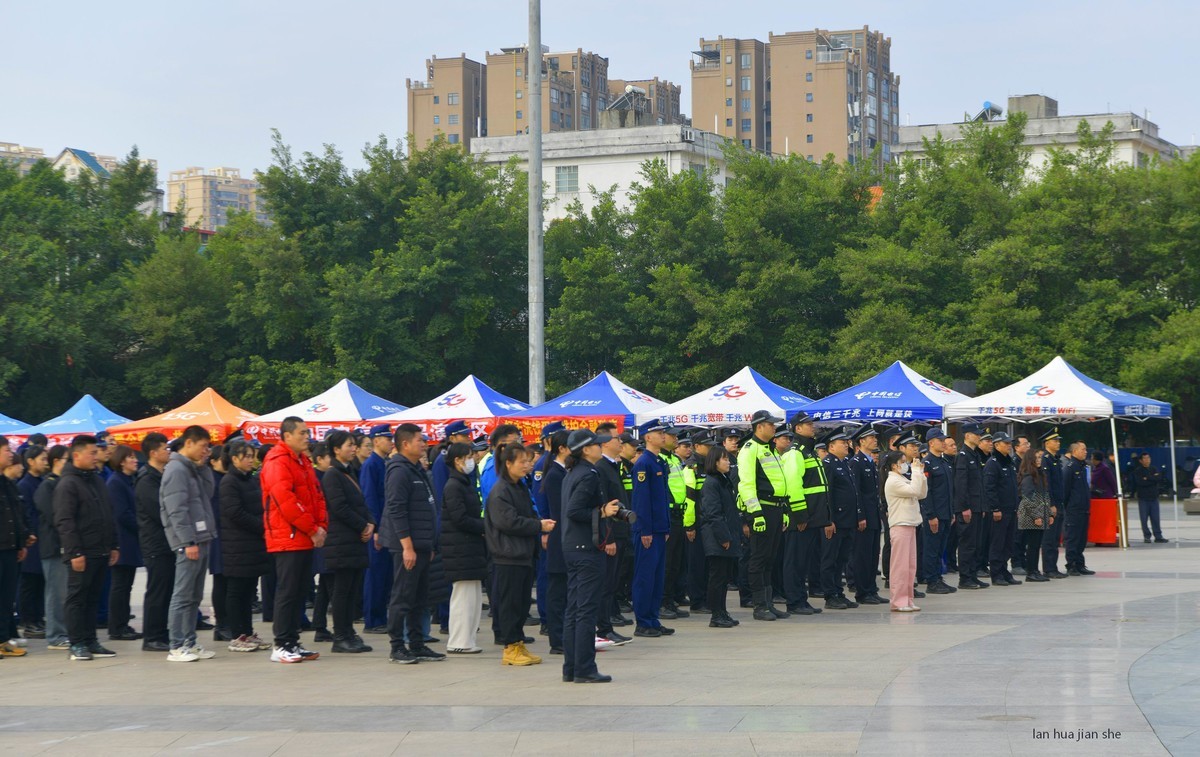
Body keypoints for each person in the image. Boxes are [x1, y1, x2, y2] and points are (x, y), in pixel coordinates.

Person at [260, 417, 328, 663]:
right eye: (301, 433)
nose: (306, 436)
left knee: (300, 590)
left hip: (305, 536)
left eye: (307, 432)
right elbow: (285, 501)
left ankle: (292, 641)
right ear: (287, 436)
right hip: (287, 536)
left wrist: (320, 526)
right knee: (288, 591)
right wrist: (312, 528)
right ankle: (281, 644)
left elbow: (317, 495)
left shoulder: (302, 462)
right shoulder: (278, 461)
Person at [380, 423, 444, 664]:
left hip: (422, 543)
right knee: (403, 595)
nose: (424, 443)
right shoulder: (398, 470)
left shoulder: (416, 469)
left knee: (420, 597)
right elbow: (397, 510)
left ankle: (417, 644)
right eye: (419, 440)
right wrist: (407, 546)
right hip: (406, 546)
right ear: (405, 444)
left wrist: (429, 545)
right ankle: (397, 646)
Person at [559, 429, 620, 683]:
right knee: (585, 610)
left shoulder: (573, 473)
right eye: (596, 444)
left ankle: (572, 667)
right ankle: (584, 667)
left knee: (574, 609)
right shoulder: (588, 475)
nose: (600, 446)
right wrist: (603, 511)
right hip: (585, 549)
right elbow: (575, 510)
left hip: (572, 547)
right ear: (586, 450)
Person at [486, 443, 554, 666]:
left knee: (521, 603)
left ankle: (518, 643)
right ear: (508, 464)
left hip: (524, 553)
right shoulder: (501, 490)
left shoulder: (519, 486)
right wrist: (538, 526)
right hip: (507, 556)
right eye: (522, 462)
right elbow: (508, 522)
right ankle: (509, 647)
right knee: (509, 604)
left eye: (528, 461)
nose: (528, 465)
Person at [53, 434, 118, 660]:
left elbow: (108, 514)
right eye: (92, 452)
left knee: (93, 597)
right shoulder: (68, 483)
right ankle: (77, 643)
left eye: (96, 452)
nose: (96, 456)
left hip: (100, 549)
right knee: (77, 598)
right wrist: (75, 552)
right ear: (77, 455)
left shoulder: (95, 479)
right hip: (82, 552)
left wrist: (113, 545)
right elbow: (65, 521)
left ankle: (91, 640)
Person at [160, 426, 218, 662]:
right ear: (190, 443)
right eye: (204, 446)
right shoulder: (176, 469)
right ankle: (176, 645)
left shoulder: (193, 468)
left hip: (201, 537)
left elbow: (208, 493)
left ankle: (189, 642)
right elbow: (176, 510)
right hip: (189, 541)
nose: (207, 451)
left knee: (194, 595)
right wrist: (187, 541)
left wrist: (204, 466)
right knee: (183, 595)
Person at [320, 430, 375, 654]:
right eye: (348, 445)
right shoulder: (332, 474)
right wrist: (363, 525)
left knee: (353, 589)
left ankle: (349, 632)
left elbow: (361, 503)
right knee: (342, 591)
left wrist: (370, 522)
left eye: (354, 445)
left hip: (353, 540)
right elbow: (339, 507)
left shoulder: (349, 471)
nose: (353, 448)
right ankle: (340, 636)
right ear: (336, 450)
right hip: (341, 540)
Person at [218, 440, 270, 653]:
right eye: (247, 456)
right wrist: (263, 527)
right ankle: (237, 634)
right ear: (235, 459)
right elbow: (235, 513)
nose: (251, 460)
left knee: (249, 591)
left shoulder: (250, 480)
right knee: (236, 590)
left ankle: (248, 632)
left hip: (252, 544)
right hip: (237, 544)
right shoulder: (229, 482)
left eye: (252, 456)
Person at [738, 410, 791, 621]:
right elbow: (746, 484)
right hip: (763, 509)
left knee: (770, 558)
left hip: (776, 508)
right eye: (771, 424)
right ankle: (759, 606)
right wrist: (755, 513)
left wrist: (785, 509)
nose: (774, 428)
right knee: (758, 558)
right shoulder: (750, 449)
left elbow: (780, 482)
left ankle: (768, 603)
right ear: (759, 426)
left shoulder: (770, 450)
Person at [440, 442, 486, 654]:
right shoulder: (453, 486)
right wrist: (485, 527)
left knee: (473, 598)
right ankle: (459, 640)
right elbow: (460, 518)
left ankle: (468, 639)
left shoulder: (465, 483)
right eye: (468, 456)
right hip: (460, 548)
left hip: (471, 547)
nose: (472, 460)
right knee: (463, 598)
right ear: (457, 460)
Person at [629, 422, 673, 637]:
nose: (663, 436)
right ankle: (643, 622)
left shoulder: (658, 462)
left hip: (659, 528)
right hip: (647, 530)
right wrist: (644, 529)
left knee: (657, 577)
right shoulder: (643, 464)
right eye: (659, 433)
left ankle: (653, 619)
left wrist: (665, 526)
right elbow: (641, 501)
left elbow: (662, 498)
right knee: (645, 577)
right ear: (648, 437)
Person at [781, 412, 827, 616]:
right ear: (797, 428)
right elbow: (793, 484)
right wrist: (799, 515)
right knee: (795, 560)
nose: (812, 427)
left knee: (803, 561)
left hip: (812, 517)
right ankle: (794, 601)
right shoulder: (795, 452)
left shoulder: (808, 451)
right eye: (808, 424)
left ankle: (801, 599)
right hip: (801, 517)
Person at [593, 423, 632, 645]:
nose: (621, 442)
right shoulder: (601, 468)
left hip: (620, 531)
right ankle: (603, 629)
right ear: (606, 442)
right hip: (610, 535)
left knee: (612, 582)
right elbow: (602, 506)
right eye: (617, 439)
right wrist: (607, 539)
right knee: (606, 585)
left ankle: (606, 626)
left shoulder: (612, 466)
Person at [134, 433, 174, 652]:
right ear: (153, 453)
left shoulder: (162, 475)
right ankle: (152, 636)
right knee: (157, 591)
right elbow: (159, 511)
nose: (168, 452)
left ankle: (162, 632)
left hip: (167, 543)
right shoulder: (146, 480)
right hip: (155, 544)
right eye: (164, 448)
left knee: (166, 590)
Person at [698, 446, 741, 628]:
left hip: (727, 535)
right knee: (717, 577)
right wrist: (724, 537)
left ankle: (722, 611)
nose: (728, 462)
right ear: (715, 462)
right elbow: (713, 514)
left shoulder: (723, 480)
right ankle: (716, 614)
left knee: (723, 577)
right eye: (724, 459)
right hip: (717, 538)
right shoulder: (711, 483)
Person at [105, 445, 143, 641]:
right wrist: (142, 527)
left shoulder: (127, 481)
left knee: (125, 586)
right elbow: (122, 514)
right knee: (120, 586)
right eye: (130, 457)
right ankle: (117, 627)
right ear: (121, 461)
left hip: (129, 540)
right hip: (122, 540)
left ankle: (122, 624)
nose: (135, 460)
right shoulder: (116, 483)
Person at [0, 436, 33, 656]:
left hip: (9, 548)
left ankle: (3, 639)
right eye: (6, 450)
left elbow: (15, 514)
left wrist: (22, 540)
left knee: (6, 597)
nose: (11, 454)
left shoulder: (7, 483)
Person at [358, 423, 393, 635]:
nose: (390, 442)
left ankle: (380, 615)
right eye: (387, 439)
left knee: (385, 574)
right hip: (378, 527)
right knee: (376, 574)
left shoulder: (385, 463)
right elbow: (370, 498)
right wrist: (376, 527)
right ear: (376, 441)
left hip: (387, 526)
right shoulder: (372, 464)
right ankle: (373, 619)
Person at [34, 445, 69, 649]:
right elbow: (55, 517)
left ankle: (64, 631)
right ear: (56, 461)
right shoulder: (47, 486)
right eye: (67, 459)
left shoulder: (63, 483)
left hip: (67, 546)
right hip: (53, 546)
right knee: (56, 593)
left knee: (64, 592)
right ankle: (55, 635)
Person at [882, 450, 926, 612]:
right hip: (900, 525)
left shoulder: (902, 479)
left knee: (910, 566)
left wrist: (920, 473)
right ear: (894, 466)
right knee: (900, 566)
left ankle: (908, 599)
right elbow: (914, 490)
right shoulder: (893, 481)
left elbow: (921, 493)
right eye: (903, 462)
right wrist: (915, 472)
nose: (906, 465)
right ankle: (898, 601)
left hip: (910, 524)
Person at [539, 429, 570, 654]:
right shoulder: (555, 475)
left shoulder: (564, 472)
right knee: (557, 590)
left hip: (565, 538)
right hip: (559, 538)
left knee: (565, 590)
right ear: (561, 449)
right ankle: (557, 639)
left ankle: (563, 636)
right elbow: (561, 510)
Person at [849, 426, 884, 606]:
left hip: (874, 514)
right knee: (862, 555)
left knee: (872, 554)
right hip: (865, 516)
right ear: (861, 441)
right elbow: (857, 492)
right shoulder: (857, 462)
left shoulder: (870, 461)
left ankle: (871, 589)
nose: (874, 440)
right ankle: (862, 592)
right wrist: (860, 515)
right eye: (870, 437)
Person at [919, 429, 956, 596]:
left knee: (941, 548)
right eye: (940, 440)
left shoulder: (944, 462)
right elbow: (926, 493)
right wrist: (931, 515)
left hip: (946, 513)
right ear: (931, 443)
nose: (943, 443)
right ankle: (931, 580)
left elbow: (948, 490)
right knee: (931, 548)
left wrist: (951, 512)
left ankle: (938, 577)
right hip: (935, 515)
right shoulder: (927, 463)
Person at [16, 446, 48, 640]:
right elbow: (26, 514)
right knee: (29, 583)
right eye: (42, 459)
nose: (45, 462)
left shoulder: (41, 482)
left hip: (43, 540)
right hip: (32, 540)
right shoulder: (25, 485)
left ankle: (38, 618)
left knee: (40, 583)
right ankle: (28, 621)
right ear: (30, 461)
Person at [953, 424, 988, 590]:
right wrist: (964, 507)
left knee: (976, 543)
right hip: (968, 508)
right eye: (976, 434)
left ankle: (973, 575)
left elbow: (978, 484)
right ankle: (965, 577)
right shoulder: (963, 456)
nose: (979, 437)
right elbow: (961, 485)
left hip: (977, 506)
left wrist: (981, 507)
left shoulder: (974, 455)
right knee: (967, 544)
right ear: (967, 435)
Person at [659, 428, 690, 618]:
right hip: (669, 513)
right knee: (668, 562)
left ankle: (670, 600)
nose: (675, 439)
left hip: (679, 513)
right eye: (672, 436)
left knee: (676, 562)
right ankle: (663, 602)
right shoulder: (661, 460)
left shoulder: (674, 459)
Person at [983, 432, 1021, 587]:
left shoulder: (1009, 462)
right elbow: (989, 488)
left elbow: (1013, 486)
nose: (1009, 446)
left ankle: (1005, 571)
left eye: (1009, 443)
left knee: (1008, 543)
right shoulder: (993, 463)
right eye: (1005, 443)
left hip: (1011, 509)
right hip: (1000, 511)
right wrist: (995, 508)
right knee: (998, 543)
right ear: (997, 445)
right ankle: (996, 573)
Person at [1017, 449, 1052, 582]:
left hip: (1040, 514)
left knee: (1037, 544)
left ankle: (1035, 570)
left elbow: (1045, 495)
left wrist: (1048, 514)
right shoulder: (1028, 476)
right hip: (1032, 515)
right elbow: (1027, 497)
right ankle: (1031, 572)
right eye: (1036, 458)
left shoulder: (1040, 474)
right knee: (1032, 545)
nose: (1039, 460)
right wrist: (1036, 515)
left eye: (1040, 458)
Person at [1037, 428, 1068, 579]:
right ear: (1047, 443)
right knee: (1049, 539)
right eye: (1055, 441)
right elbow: (1046, 484)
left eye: (1058, 440)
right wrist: (1050, 504)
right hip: (1051, 505)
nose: (1058, 443)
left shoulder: (1055, 459)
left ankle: (1053, 567)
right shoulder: (1046, 459)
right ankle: (1048, 568)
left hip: (1059, 503)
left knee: (1056, 538)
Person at [1063, 441, 1095, 574]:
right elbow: (1065, 490)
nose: (1085, 452)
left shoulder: (1083, 467)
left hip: (1084, 509)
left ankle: (1080, 564)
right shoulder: (1069, 468)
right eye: (1083, 449)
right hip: (1074, 510)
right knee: (1073, 538)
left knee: (1082, 539)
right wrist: (1069, 506)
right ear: (1074, 451)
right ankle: (1071, 565)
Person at [1131, 453, 1167, 543]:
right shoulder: (1138, 471)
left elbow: (1158, 478)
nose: (1147, 460)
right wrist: (1152, 479)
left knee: (1155, 518)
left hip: (1154, 497)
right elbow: (1140, 483)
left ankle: (1158, 536)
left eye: (1148, 458)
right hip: (1143, 498)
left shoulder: (1153, 468)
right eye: (1145, 458)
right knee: (1144, 518)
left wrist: (1147, 478)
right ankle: (1147, 536)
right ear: (1141, 460)